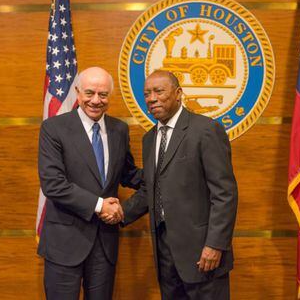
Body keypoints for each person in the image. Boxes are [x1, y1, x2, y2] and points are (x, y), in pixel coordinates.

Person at [119, 70, 238, 299]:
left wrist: (215, 245)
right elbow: (153, 189)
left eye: (159, 91)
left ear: (178, 93)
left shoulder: (205, 130)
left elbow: (225, 194)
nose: (152, 98)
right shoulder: (150, 138)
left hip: (203, 253)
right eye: (147, 94)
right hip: (164, 252)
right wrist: (119, 213)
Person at [37, 67, 141, 299]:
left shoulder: (119, 129)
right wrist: (99, 205)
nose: (96, 100)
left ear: (110, 96)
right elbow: (53, 184)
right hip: (64, 244)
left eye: (103, 95)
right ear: (77, 92)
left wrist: (166, 174)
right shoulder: (54, 128)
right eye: (89, 93)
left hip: (104, 245)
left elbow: (128, 174)